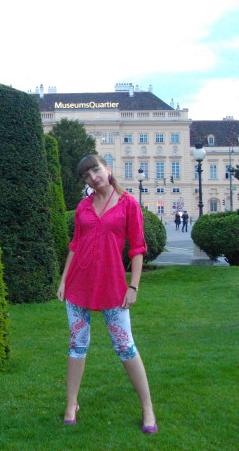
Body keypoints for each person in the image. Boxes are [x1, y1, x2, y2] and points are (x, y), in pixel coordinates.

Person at [56, 155, 157, 434]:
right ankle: (71, 403)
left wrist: (133, 286)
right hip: (78, 285)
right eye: (86, 175)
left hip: (113, 287)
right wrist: (63, 280)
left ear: (108, 169)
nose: (93, 177)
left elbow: (138, 248)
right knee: (77, 344)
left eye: (96, 170)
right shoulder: (83, 206)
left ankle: (147, 406)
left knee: (125, 346)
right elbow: (75, 244)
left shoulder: (128, 204)